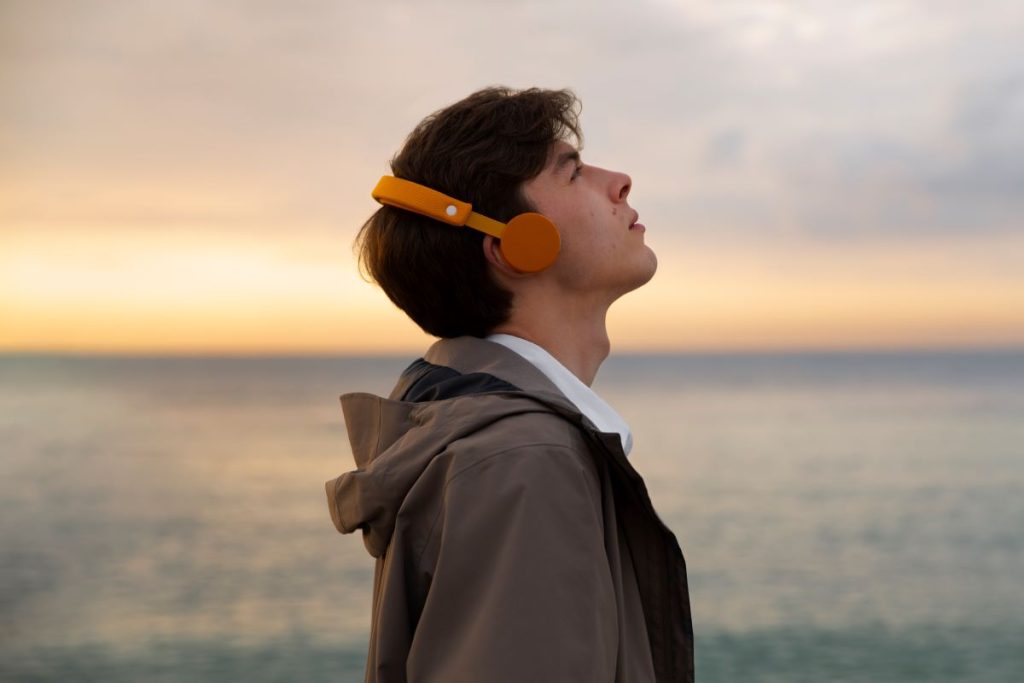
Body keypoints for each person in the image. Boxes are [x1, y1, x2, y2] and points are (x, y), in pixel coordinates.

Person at [325, 86, 694, 683]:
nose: (620, 180)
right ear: (513, 246)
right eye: (571, 173)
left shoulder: (478, 431)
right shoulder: (525, 462)